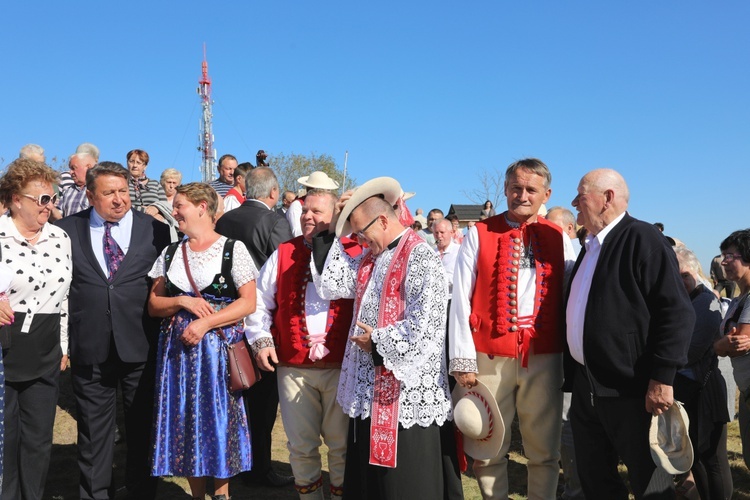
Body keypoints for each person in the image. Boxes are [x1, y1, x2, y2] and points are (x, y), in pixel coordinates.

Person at [311, 177, 459, 500]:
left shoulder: (421, 256)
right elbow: (331, 282)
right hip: (370, 394)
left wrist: (376, 342)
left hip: (405, 399)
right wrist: (335, 226)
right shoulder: (369, 260)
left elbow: (427, 329)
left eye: (363, 232)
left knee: (402, 488)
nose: (361, 241)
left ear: (382, 219)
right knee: (371, 487)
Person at [564, 168, 694, 499]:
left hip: (632, 390)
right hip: (588, 387)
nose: (574, 203)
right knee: (595, 478)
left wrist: (662, 377)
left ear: (607, 197)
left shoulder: (641, 237)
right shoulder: (590, 246)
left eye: (581, 195)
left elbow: (676, 312)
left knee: (650, 482)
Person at [450, 158, 569, 500]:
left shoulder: (559, 236)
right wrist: (462, 357)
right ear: (505, 190)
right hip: (488, 354)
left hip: (544, 356)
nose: (522, 195)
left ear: (545, 194)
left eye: (531, 189)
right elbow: (460, 298)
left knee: (543, 446)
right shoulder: (479, 233)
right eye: (516, 188)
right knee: (487, 442)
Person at [55, 162, 172, 499]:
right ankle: (95, 494)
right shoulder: (65, 231)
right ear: (90, 195)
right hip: (90, 344)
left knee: (142, 429)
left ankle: (140, 492)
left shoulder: (155, 231)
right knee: (93, 433)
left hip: (142, 345)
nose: (119, 199)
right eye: (109, 193)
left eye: (123, 191)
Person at [148, 183, 257, 500]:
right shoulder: (169, 253)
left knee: (217, 419)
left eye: (180, 205)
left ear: (201, 207)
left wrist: (206, 322)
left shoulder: (231, 249)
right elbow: (153, 305)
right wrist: (181, 301)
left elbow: (248, 302)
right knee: (186, 420)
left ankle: (222, 494)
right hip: (177, 355)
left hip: (216, 355)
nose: (175, 211)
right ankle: (197, 495)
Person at [246, 189, 356, 500]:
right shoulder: (283, 252)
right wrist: (262, 341)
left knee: (341, 443)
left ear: (335, 216)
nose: (308, 216)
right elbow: (258, 302)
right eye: (305, 210)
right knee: (301, 444)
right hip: (294, 366)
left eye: (317, 212)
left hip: (341, 367)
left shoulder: (355, 252)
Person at [215, 167, 294, 487]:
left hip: (224, 318)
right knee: (262, 404)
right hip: (261, 323)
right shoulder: (275, 222)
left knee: (234, 398)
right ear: (273, 193)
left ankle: (233, 464)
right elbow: (287, 269)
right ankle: (259, 467)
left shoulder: (223, 221)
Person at [0, 159, 72, 500]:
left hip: (44, 348)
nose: (50, 206)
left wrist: (63, 345)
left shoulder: (60, 237)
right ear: (16, 199)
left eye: (52, 198)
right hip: (5, 348)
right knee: (5, 438)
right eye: (41, 199)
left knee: (38, 439)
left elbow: (64, 299)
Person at [672, 246, 732, 499]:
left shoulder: (706, 302)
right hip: (688, 388)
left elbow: (693, 351)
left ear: (696, 272)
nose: (681, 281)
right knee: (695, 454)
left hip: (704, 390)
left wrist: (664, 358)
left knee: (712, 458)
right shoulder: (687, 301)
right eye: (676, 277)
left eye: (685, 274)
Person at [714, 229, 750, 469]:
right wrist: (722, 345)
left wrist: (723, 346)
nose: (723, 261)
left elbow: (737, 345)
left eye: (730, 255)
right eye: (722, 255)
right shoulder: (738, 299)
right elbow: (723, 345)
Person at [287, 172, 340, 237]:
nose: (307, 216)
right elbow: (297, 233)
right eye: (304, 211)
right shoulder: (297, 205)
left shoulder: (331, 204)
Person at [126, 149, 168, 218]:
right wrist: (143, 210)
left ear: (145, 166)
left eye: (138, 163)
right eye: (131, 161)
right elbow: (121, 205)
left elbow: (165, 205)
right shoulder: (123, 183)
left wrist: (156, 208)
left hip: (154, 223)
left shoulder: (155, 184)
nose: (135, 165)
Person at [59, 152, 96, 217]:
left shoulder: (97, 189)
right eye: (70, 169)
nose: (70, 172)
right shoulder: (68, 191)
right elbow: (59, 216)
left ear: (88, 168)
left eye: (73, 168)